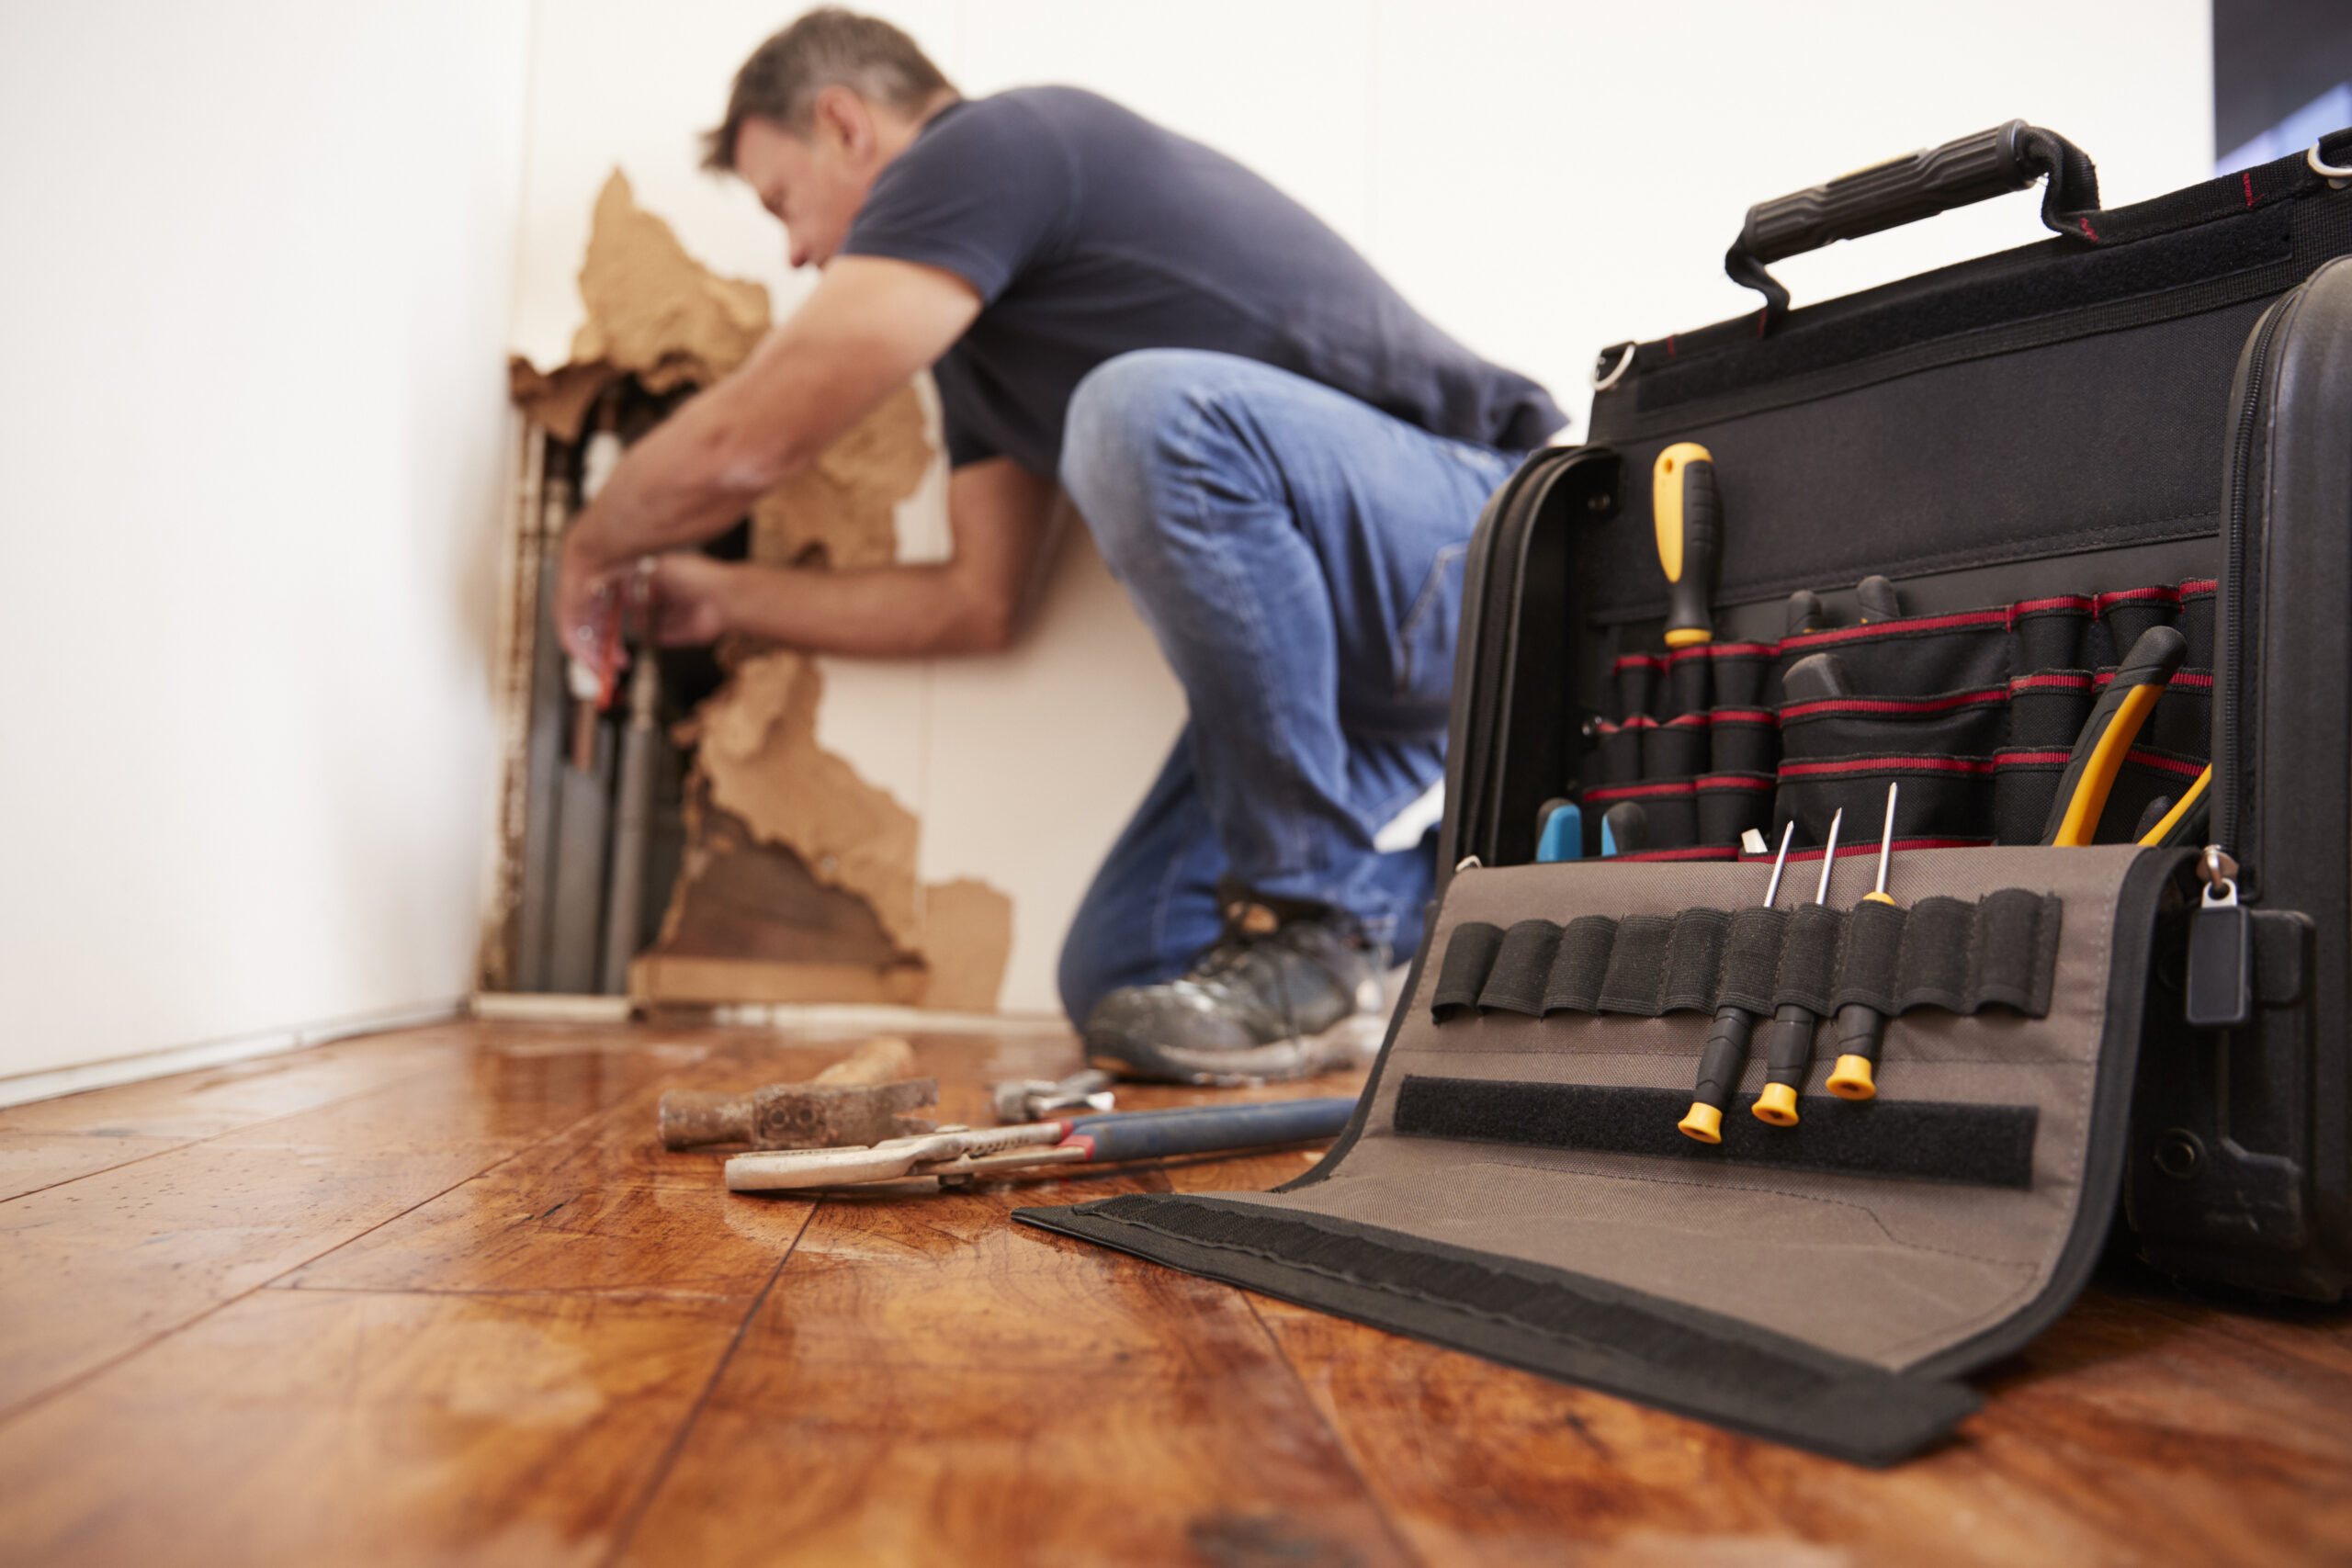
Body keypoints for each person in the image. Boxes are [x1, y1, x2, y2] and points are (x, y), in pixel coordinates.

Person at [558, 8, 1565, 1084]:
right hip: (1353, 681)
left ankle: (1310, 924)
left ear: (845, 124)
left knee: (1138, 411)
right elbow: (976, 602)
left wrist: (590, 545)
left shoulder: (993, 148)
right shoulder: (977, 355)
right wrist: (719, 598)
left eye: (782, 203)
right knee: (1128, 969)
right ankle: (1522, 907)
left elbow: (761, 439)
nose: (799, 253)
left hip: (1481, 550)